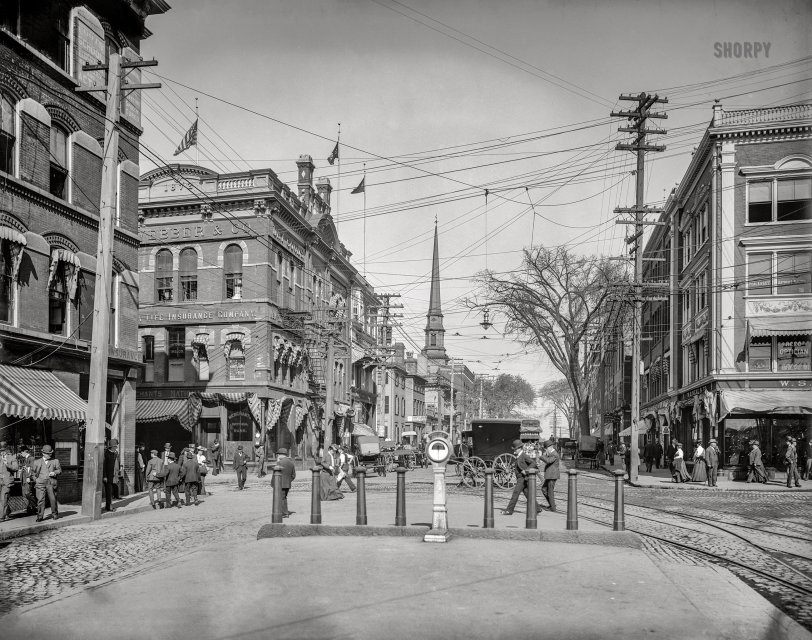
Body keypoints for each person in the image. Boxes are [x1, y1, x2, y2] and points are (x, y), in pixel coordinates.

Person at [504, 440, 541, 515]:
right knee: (528, 495)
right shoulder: (519, 456)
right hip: (522, 479)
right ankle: (537, 508)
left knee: (515, 494)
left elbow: (533, 463)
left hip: (522, 478)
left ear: (519, 448)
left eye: (515, 449)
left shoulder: (523, 455)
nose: (514, 451)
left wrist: (526, 470)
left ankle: (509, 510)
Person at [31, 444, 61, 521]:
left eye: (50, 453)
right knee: (40, 500)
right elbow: (33, 473)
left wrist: (54, 472)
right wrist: (36, 480)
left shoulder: (55, 461)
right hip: (40, 483)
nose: (50, 455)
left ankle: (55, 514)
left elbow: (59, 470)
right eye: (48, 453)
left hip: (51, 483)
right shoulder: (36, 462)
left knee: (53, 499)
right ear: (43, 453)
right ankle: (40, 516)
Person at [273, 448, 296, 517]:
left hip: (281, 484)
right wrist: (288, 480)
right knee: (284, 497)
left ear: (280, 455)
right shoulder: (291, 463)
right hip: (288, 484)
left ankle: (284, 513)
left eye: (278, 455)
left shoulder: (280, 462)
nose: (277, 456)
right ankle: (283, 511)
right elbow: (293, 475)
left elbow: (275, 474)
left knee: (282, 498)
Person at [0, 441, 20, 521]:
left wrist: (7, 464)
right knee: (4, 498)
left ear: (6, 450)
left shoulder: (11, 457)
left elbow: (16, 468)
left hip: (7, 481)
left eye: (3, 450)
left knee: (3, 498)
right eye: (1, 451)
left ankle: (1, 517)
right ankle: (7, 512)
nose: (2, 452)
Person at [539, 439, 560, 512]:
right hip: (550, 475)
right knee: (544, 489)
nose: (545, 450)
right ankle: (552, 505)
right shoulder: (551, 453)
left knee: (550, 492)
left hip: (552, 475)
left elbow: (548, 461)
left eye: (546, 449)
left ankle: (553, 508)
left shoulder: (554, 454)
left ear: (549, 447)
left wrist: (541, 456)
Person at [103, 439, 122, 512]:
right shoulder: (106, 454)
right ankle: (108, 507)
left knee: (112, 490)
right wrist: (104, 476)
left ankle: (109, 505)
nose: (116, 448)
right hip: (107, 476)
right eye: (115, 446)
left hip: (114, 475)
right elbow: (104, 465)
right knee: (108, 492)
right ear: (112, 447)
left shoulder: (115, 454)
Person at [18, 446, 37, 515]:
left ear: (25, 451)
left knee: (27, 493)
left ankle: (35, 505)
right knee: (24, 495)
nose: (21, 453)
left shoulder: (31, 458)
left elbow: (32, 469)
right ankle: (30, 508)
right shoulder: (26, 459)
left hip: (27, 479)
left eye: (21, 452)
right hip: (24, 479)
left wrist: (29, 477)